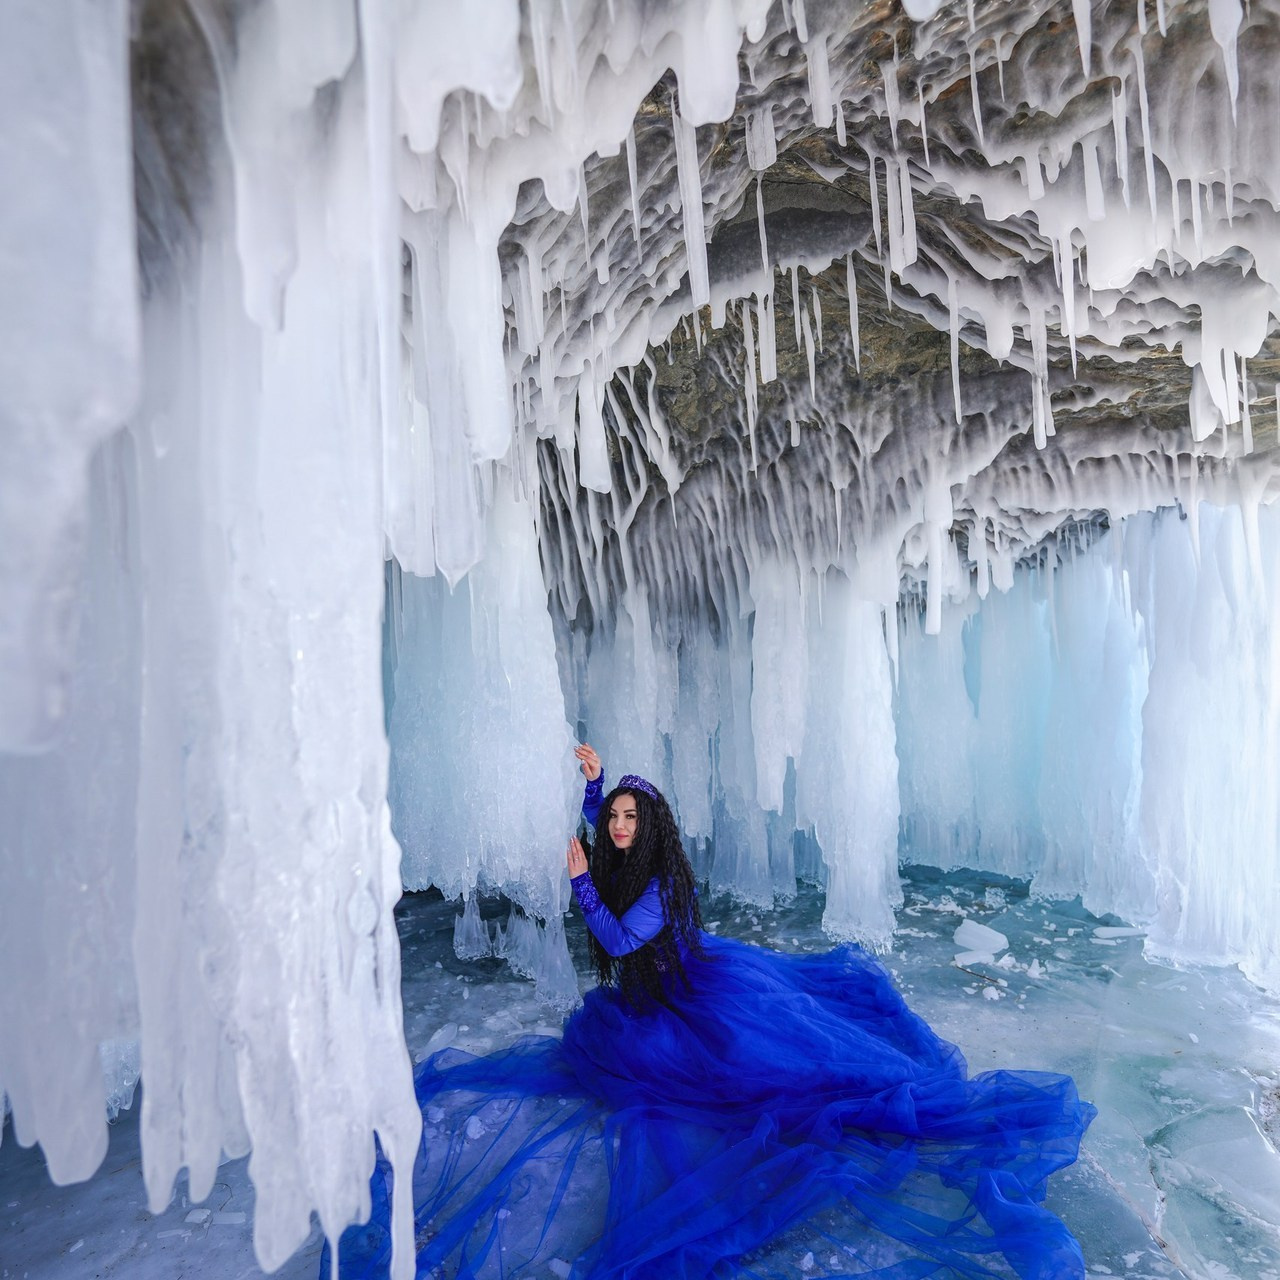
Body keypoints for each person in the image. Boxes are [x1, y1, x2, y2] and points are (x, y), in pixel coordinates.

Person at [325, 745, 1096, 1280]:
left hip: (689, 998)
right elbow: (609, 840)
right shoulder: (627, 848)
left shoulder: (656, 887)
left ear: (651, 830)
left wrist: (582, 882)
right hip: (657, 989)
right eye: (615, 818)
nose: (619, 828)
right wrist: (593, 790)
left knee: (762, 1071)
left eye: (629, 819)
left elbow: (623, 936)